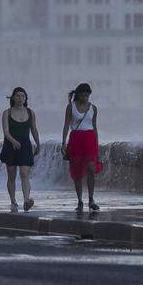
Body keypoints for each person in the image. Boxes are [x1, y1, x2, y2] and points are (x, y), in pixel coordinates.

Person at [61, 82, 101, 212]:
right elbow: (66, 125)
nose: (85, 96)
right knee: (77, 172)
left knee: (91, 168)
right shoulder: (70, 107)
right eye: (83, 93)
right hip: (76, 139)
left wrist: (97, 144)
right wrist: (63, 143)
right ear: (78, 94)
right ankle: (80, 201)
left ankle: (91, 199)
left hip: (89, 139)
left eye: (87, 94)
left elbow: (94, 127)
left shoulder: (93, 108)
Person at [0, 87, 40, 212]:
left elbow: (34, 129)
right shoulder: (7, 113)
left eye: (23, 96)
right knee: (11, 175)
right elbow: (5, 131)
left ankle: (26, 200)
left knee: (24, 173)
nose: (20, 98)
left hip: (25, 145)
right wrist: (13, 141)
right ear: (13, 98)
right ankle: (13, 201)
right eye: (17, 96)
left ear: (25, 98)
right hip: (10, 145)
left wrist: (38, 144)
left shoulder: (30, 112)